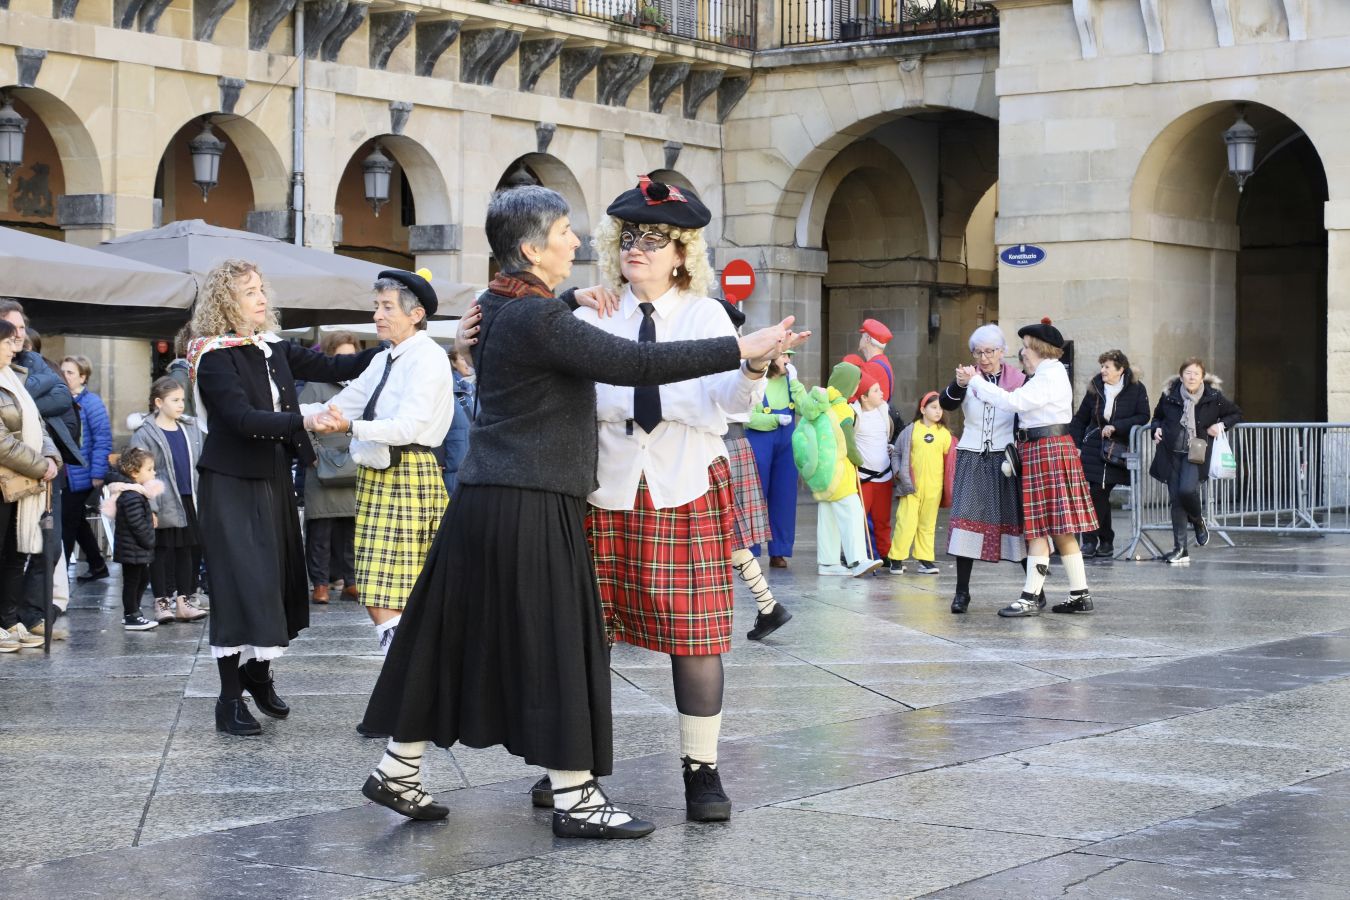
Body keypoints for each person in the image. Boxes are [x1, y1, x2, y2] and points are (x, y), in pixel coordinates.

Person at [357, 184, 802, 837]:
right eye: (570, 232)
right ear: (534, 247)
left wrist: (532, 311)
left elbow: (534, 334)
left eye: (649, 239)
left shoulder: (506, 303)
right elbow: (632, 360)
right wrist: (743, 345)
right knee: (565, 639)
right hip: (543, 498)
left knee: (444, 637)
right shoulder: (552, 315)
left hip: (504, 495)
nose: (586, 242)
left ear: (682, 252)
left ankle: (400, 767)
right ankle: (574, 794)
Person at [570, 177, 809, 823]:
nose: (636, 248)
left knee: (696, 634)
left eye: (653, 238)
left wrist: (756, 365)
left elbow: (733, 405)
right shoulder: (593, 311)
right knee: (587, 634)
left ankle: (701, 774)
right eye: (628, 237)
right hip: (607, 484)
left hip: (686, 481)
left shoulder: (704, 314)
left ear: (681, 252)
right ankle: (572, 769)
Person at [188, 258, 378, 737]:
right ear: (225, 302)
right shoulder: (213, 355)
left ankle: (258, 673)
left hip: (272, 475)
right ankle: (229, 700)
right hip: (230, 480)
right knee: (238, 584)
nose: (261, 299)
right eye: (250, 292)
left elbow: (337, 365)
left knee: (273, 582)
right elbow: (242, 419)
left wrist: (393, 342)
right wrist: (307, 421)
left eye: (261, 289)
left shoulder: (271, 346)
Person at [300, 269, 454, 653]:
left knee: (393, 588)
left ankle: (406, 672)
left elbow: (408, 426)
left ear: (415, 314)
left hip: (408, 471)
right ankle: (405, 671)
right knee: (375, 586)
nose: (378, 315)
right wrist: (284, 414)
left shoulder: (428, 358)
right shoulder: (384, 359)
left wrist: (351, 426)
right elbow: (338, 406)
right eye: (376, 306)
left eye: (387, 307)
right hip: (377, 475)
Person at [962, 318, 1099, 617]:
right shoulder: (1047, 374)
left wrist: (975, 381)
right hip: (1046, 449)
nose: (1022, 353)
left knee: (1037, 527)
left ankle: (1030, 597)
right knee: (1061, 530)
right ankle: (1080, 594)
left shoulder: (1049, 376)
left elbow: (1015, 402)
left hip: (1045, 449)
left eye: (1025, 347)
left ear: (1037, 348)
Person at [715, 298, 792, 643]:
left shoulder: (728, 359)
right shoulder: (747, 359)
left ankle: (766, 607)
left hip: (717, 444)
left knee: (715, 533)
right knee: (727, 536)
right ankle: (767, 606)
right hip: (736, 442)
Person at [941, 325, 1028, 614]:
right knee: (965, 521)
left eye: (990, 351)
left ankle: (1033, 590)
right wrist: (959, 384)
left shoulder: (1019, 379)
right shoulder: (968, 377)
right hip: (972, 455)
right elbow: (946, 404)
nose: (984, 357)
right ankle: (962, 593)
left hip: (1004, 459)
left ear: (1003, 351)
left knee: (1015, 524)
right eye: (978, 352)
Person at [0, 317, 63, 651]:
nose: (15, 348)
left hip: (21, 483)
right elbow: (2, 441)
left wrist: (51, 459)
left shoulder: (15, 377)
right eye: (8, 342)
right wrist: (41, 466)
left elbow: (39, 424)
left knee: (14, 555)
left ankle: (8, 620)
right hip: (6, 479)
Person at [129, 377, 209, 625]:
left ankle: (184, 600)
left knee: (187, 549)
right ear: (158, 402)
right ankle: (162, 600)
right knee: (161, 551)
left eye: (182, 400)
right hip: (162, 500)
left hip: (189, 497)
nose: (181, 405)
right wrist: (150, 506)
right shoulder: (145, 433)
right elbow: (140, 472)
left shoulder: (191, 427)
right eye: (174, 400)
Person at [1148, 358, 1242, 565]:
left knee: (1187, 491)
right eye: (1188, 373)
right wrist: (1156, 429)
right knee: (1176, 501)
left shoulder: (1213, 397)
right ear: (1181, 376)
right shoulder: (1169, 396)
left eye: (1196, 374)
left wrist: (1222, 425)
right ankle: (1180, 549)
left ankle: (1198, 521)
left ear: (1202, 377)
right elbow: (1156, 417)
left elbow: (1236, 413)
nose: (1191, 377)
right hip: (1171, 452)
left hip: (1196, 453)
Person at [796, 362, 880, 577]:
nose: (856, 388)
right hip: (840, 472)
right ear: (848, 385)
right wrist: (858, 460)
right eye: (855, 384)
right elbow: (849, 442)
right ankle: (857, 560)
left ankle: (828, 562)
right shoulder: (844, 409)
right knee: (851, 510)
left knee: (828, 515)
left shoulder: (821, 404)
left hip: (821, 472)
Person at [298, 332, 360, 604]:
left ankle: (351, 581)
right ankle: (320, 584)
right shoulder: (316, 384)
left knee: (351, 528)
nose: (347, 360)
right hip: (322, 464)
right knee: (320, 529)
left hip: (353, 462)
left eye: (351, 355)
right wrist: (312, 456)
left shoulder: (361, 384)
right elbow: (300, 420)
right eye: (341, 356)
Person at [1069, 350, 1150, 558]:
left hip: (1117, 450)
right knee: (1098, 493)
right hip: (1093, 447)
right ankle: (1104, 541)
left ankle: (1091, 540)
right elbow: (1080, 419)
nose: (1102, 370)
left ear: (1120, 369)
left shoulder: (1136, 389)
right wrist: (1075, 445)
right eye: (1102, 366)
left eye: (1107, 367)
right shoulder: (1095, 387)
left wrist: (1116, 426)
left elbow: (1143, 416)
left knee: (1098, 493)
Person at [744, 351, 806, 568]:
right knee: (755, 496)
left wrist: (796, 383)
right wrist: (773, 420)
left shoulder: (791, 380)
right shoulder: (755, 379)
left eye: (789, 356)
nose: (788, 361)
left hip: (787, 441)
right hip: (760, 438)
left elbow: (806, 408)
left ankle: (779, 550)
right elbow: (747, 416)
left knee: (785, 495)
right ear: (771, 359)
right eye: (784, 357)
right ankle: (749, 551)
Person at [58, 354, 112, 582]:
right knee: (76, 520)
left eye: (70, 372)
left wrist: (98, 474)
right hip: (65, 473)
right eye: (62, 371)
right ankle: (98, 564)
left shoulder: (92, 403)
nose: (64, 376)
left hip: (81, 474)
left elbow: (102, 440)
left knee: (67, 524)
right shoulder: (60, 400)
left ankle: (59, 578)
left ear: (83, 377)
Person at [888, 392, 954, 575]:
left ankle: (925, 559)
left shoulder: (945, 434)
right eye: (933, 407)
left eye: (940, 408)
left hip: (934, 489)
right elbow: (897, 453)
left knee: (927, 524)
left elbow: (951, 462)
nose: (938, 411)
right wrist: (898, 472)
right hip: (911, 488)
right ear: (923, 409)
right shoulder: (911, 430)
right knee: (906, 523)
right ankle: (896, 558)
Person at [103, 447, 162, 631]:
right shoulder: (132, 496)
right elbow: (136, 524)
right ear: (134, 473)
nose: (154, 472)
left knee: (141, 578)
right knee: (132, 581)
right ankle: (131, 615)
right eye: (149, 469)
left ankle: (134, 611)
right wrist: (149, 541)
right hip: (133, 548)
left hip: (134, 548)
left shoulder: (136, 493)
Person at [852, 371, 895, 568]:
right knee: (858, 519)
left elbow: (890, 436)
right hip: (864, 478)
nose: (882, 393)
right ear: (864, 396)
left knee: (883, 519)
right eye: (876, 391)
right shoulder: (854, 415)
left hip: (884, 476)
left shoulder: (884, 411)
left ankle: (885, 553)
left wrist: (891, 447)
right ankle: (857, 554)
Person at [440, 351, 476, 496]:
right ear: (453, 363)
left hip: (475, 465)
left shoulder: (477, 389)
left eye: (470, 357)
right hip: (453, 465)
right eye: (463, 358)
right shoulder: (446, 389)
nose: (468, 362)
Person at [843, 318, 894, 402]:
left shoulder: (873, 367)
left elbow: (850, 397)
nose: (860, 340)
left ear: (868, 339)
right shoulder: (882, 363)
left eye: (862, 337)